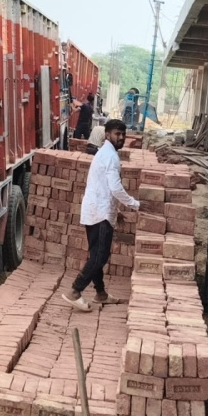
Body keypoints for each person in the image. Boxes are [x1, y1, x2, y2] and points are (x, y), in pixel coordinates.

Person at [62, 119, 140, 311]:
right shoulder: (110, 157)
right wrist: (134, 204)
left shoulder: (104, 153)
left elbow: (101, 185)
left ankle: (101, 293)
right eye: (117, 134)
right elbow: (115, 188)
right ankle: (75, 291)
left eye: (123, 134)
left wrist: (116, 210)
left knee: (96, 254)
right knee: (99, 256)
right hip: (100, 214)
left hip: (95, 209)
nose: (121, 137)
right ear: (107, 135)